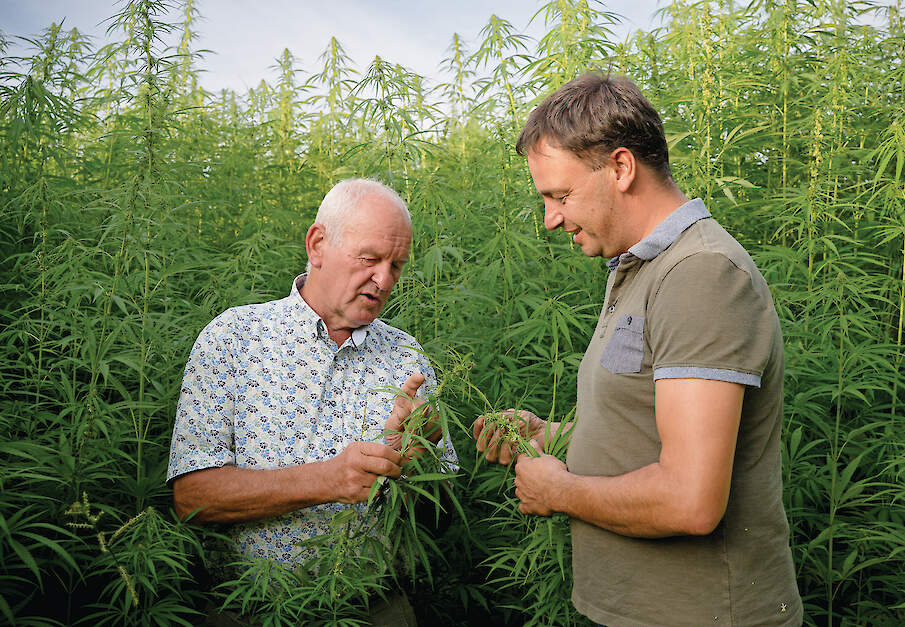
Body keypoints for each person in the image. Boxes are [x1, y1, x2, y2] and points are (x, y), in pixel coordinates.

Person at [473, 73, 802, 626]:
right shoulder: (641, 269)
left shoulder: (700, 275)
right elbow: (647, 431)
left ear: (621, 168)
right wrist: (549, 436)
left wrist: (559, 490)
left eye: (560, 194)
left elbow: (690, 499)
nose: (551, 218)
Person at [168, 178, 454, 626]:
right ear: (318, 244)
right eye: (370, 259)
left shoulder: (407, 357)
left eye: (397, 265)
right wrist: (328, 480)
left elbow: (438, 517)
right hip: (250, 613)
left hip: (374, 612)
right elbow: (193, 497)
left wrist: (418, 460)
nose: (384, 280)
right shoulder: (234, 339)